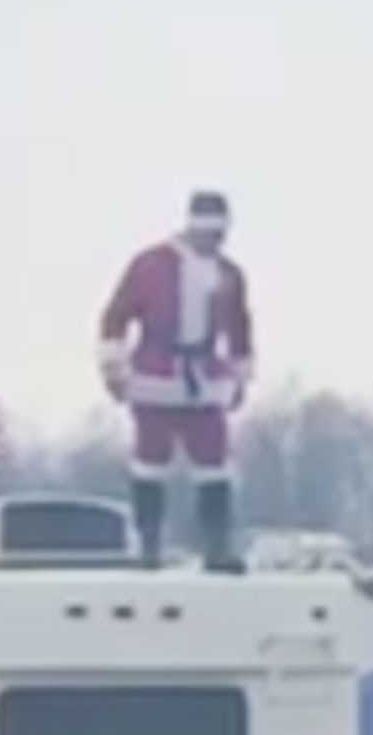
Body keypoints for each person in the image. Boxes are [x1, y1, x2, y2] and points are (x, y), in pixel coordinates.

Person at [97, 190, 256, 571]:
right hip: (156, 373)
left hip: (204, 379)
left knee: (215, 465)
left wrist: (239, 375)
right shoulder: (151, 266)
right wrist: (114, 366)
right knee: (150, 463)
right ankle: (147, 543)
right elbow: (116, 317)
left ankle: (216, 546)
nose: (214, 242)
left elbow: (239, 329)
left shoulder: (229, 274)